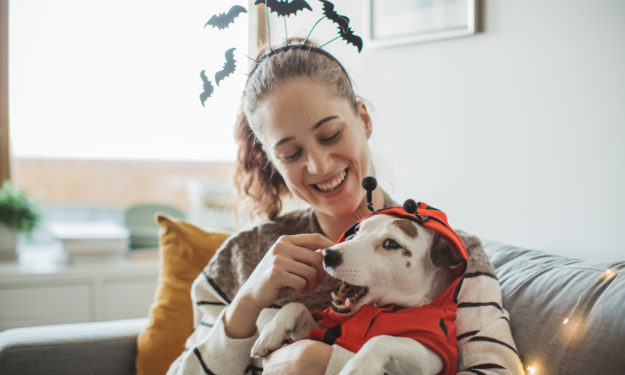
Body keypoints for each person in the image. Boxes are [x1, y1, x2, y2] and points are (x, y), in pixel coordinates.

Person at [168, 40, 523, 375]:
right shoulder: (240, 259)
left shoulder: (452, 255)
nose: (320, 166)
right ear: (272, 161)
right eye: (291, 154)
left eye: (330, 134)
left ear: (363, 120)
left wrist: (327, 363)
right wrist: (246, 303)